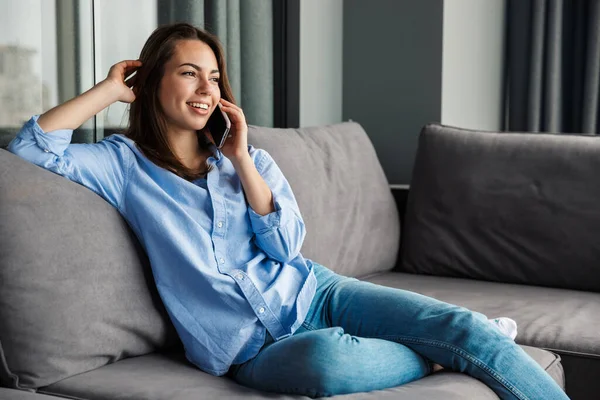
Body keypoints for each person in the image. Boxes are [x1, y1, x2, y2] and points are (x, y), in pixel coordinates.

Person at [7, 23, 567, 399]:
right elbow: (33, 148)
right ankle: (448, 353)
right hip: (249, 348)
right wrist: (108, 91)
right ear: (151, 80)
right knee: (326, 364)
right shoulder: (122, 164)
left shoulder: (249, 161)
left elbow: (285, 247)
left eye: (215, 76)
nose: (207, 88)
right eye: (188, 73)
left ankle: (463, 343)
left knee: (460, 325)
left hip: (317, 292)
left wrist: (243, 160)